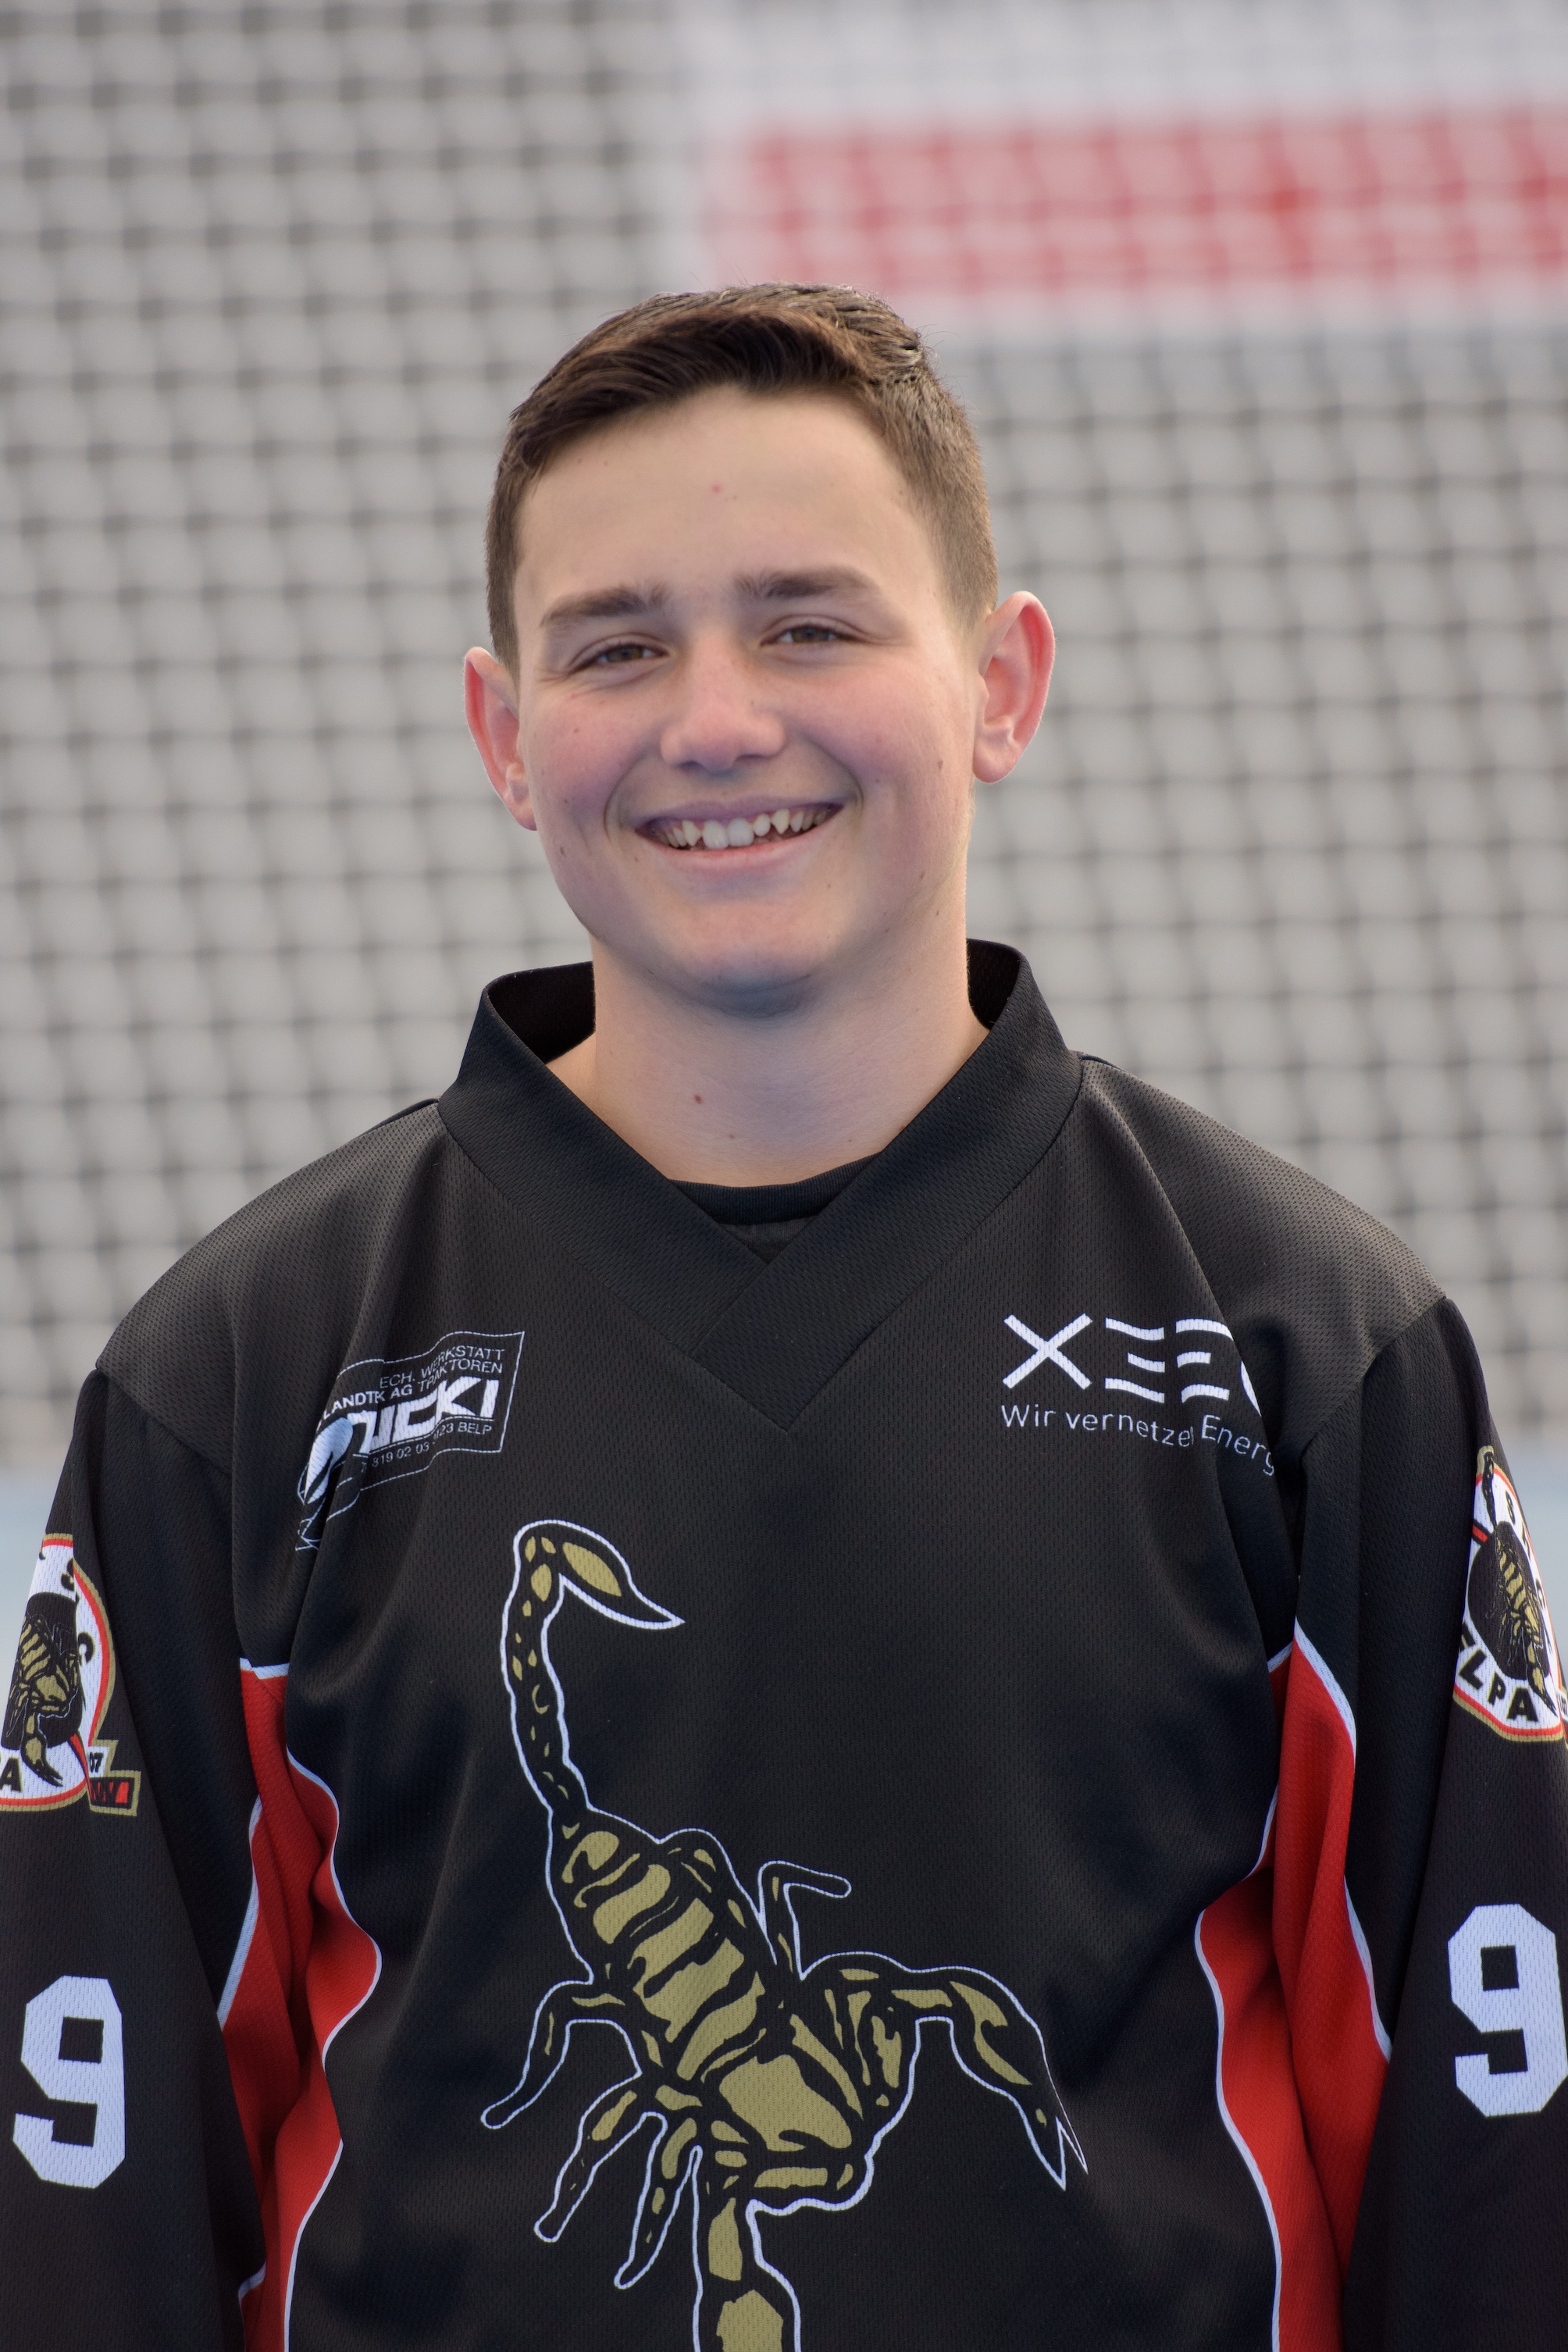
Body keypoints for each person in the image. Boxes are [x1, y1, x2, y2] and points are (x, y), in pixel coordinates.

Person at [1, 284, 1564, 2352]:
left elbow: (1492, 2155)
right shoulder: (238, 1381)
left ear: (1000, 683)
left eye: (810, 625)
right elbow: (90, 2192)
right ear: (503, 736)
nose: (717, 719)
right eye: (616, 645)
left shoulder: (1309, 1351)